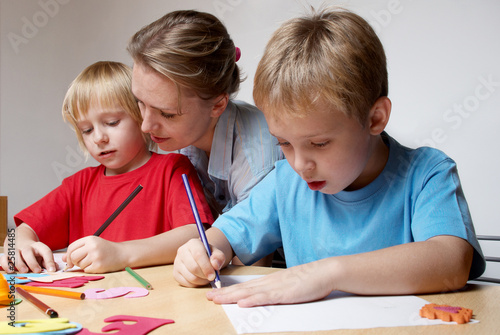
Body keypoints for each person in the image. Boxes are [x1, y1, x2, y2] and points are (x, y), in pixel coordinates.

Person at [172, 7, 486, 307]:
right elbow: (224, 236)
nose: (299, 164)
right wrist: (201, 250)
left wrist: (327, 274)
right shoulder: (285, 182)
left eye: (320, 143)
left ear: (375, 118)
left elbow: (452, 261)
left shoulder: (428, 174)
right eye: (284, 143)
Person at [0, 61, 213, 274]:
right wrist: (20, 245)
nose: (99, 138)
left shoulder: (172, 169)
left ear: (142, 116)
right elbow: (23, 231)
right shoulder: (79, 185)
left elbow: (196, 234)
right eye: (86, 130)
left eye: (111, 123)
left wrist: (120, 253)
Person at [127, 9, 282, 218]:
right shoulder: (190, 133)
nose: (146, 126)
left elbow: (253, 248)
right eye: (141, 102)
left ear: (218, 105)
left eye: (167, 114)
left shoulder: (257, 163)